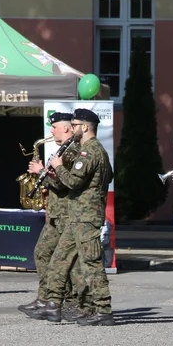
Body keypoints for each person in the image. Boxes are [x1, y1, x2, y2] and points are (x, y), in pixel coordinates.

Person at [34, 108, 114, 326]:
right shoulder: (92, 151)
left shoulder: (91, 151)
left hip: (86, 217)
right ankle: (53, 305)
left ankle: (104, 310)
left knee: (91, 263)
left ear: (85, 127)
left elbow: (73, 182)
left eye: (76, 125)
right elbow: (108, 175)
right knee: (59, 259)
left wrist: (58, 167)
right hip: (76, 216)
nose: (73, 128)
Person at [20, 112, 87, 321]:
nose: (51, 131)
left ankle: (70, 302)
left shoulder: (72, 151)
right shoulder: (62, 150)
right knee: (42, 253)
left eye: (54, 127)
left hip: (67, 214)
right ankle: (46, 298)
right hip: (56, 214)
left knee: (67, 262)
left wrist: (43, 173)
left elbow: (66, 183)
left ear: (66, 128)